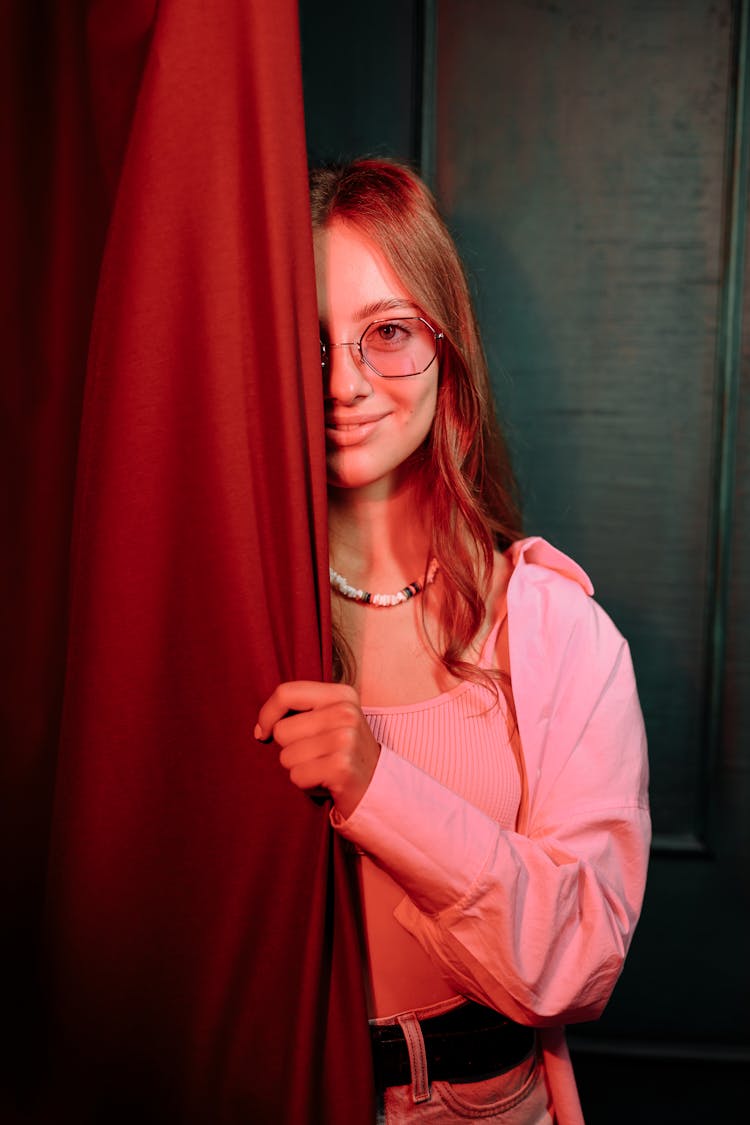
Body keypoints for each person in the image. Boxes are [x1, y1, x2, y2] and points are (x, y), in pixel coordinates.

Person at [254, 159, 650, 1124]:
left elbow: (581, 962)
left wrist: (375, 784)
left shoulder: (558, 631)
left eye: (386, 333)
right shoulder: (244, 619)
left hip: (494, 1105)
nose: (344, 382)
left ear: (447, 352)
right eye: (310, 343)